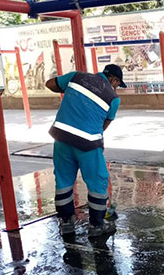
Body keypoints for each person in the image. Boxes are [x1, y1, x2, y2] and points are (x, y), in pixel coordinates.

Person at [45, 64, 126, 237]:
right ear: (114, 79)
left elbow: (50, 84)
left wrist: (70, 91)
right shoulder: (113, 98)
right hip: (88, 145)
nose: (116, 87)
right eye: (118, 84)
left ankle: (66, 222)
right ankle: (96, 225)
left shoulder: (76, 76)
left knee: (63, 181)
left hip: (61, 139)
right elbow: (104, 125)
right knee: (98, 182)